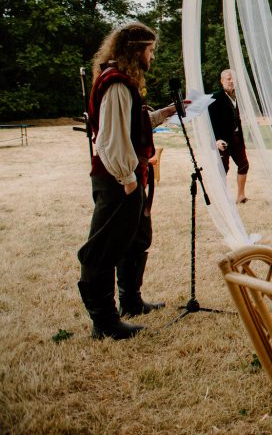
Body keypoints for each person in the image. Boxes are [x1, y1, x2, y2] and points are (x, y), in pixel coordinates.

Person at [78, 22, 177, 340]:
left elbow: (134, 123)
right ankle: (105, 322)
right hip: (118, 180)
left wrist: (169, 111)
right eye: (149, 50)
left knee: (134, 239)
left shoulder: (123, 83)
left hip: (129, 177)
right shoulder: (117, 84)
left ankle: (131, 301)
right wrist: (128, 179)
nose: (152, 56)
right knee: (105, 248)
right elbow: (109, 138)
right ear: (135, 51)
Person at [209, 68, 250, 203]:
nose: (232, 81)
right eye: (228, 78)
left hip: (236, 138)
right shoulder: (215, 97)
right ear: (222, 81)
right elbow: (211, 121)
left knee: (244, 164)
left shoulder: (236, 95)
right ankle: (222, 198)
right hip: (222, 140)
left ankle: (240, 195)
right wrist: (216, 139)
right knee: (223, 168)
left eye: (233, 79)